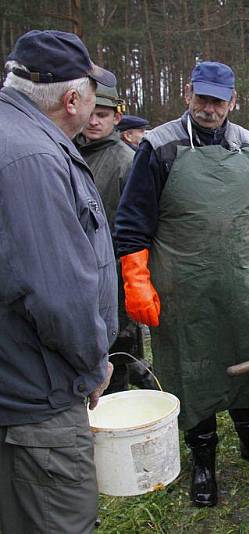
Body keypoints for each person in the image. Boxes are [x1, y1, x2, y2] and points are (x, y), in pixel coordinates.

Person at [115, 60, 249, 507]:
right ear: (187, 93)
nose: (209, 108)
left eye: (219, 100)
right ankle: (203, 463)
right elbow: (132, 222)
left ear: (233, 101)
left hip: (240, 279)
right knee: (192, 369)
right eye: (202, 98)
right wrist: (136, 280)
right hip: (182, 282)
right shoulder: (158, 148)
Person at [0, 30, 117, 533]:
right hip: (39, 395)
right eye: (91, 95)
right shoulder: (35, 160)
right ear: (72, 99)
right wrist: (93, 365)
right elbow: (57, 295)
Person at [74, 82, 158, 394]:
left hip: (116, 273)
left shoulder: (126, 160)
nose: (95, 121)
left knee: (117, 349)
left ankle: (124, 406)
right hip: (79, 270)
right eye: (91, 113)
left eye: (103, 115)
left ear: (116, 119)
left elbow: (141, 222)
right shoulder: (70, 151)